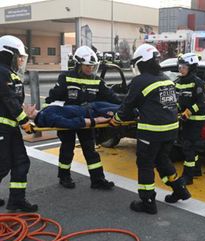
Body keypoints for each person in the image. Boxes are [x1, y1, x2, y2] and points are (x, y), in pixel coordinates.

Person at [110, 44, 191, 214]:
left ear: (142, 62)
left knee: (145, 164)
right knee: (162, 160)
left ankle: (147, 202)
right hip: (171, 130)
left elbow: (127, 106)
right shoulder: (166, 79)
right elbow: (168, 104)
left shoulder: (141, 80)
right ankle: (180, 190)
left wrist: (115, 121)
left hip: (153, 131)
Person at [45, 45, 116, 190]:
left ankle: (98, 180)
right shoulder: (65, 77)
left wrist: (123, 107)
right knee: (67, 147)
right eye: (87, 66)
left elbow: (112, 98)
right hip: (68, 118)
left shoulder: (97, 81)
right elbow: (53, 97)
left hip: (86, 118)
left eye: (92, 66)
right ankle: (64, 177)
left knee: (90, 149)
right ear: (78, 64)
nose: (90, 69)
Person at [0, 35, 38, 212]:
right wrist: (25, 122)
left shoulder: (9, 73)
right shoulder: (1, 72)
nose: (21, 60)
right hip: (2, 127)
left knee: (21, 162)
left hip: (10, 127)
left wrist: (24, 112)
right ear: (7, 54)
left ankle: (17, 199)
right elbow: (8, 100)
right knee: (2, 165)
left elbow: (13, 101)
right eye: (18, 57)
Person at [175, 53, 205, 185]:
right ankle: (196, 169)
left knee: (188, 147)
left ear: (191, 67)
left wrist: (187, 113)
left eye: (184, 67)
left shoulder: (198, 83)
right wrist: (176, 110)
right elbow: (177, 100)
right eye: (180, 66)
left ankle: (188, 177)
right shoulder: (178, 82)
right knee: (192, 146)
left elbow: (200, 103)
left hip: (196, 119)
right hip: (184, 119)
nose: (180, 69)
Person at [24, 101, 119, 129]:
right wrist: (96, 120)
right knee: (125, 110)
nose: (27, 105)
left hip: (92, 106)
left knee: (122, 106)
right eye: (25, 108)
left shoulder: (43, 113)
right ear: (29, 114)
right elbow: (70, 123)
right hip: (94, 113)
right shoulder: (47, 117)